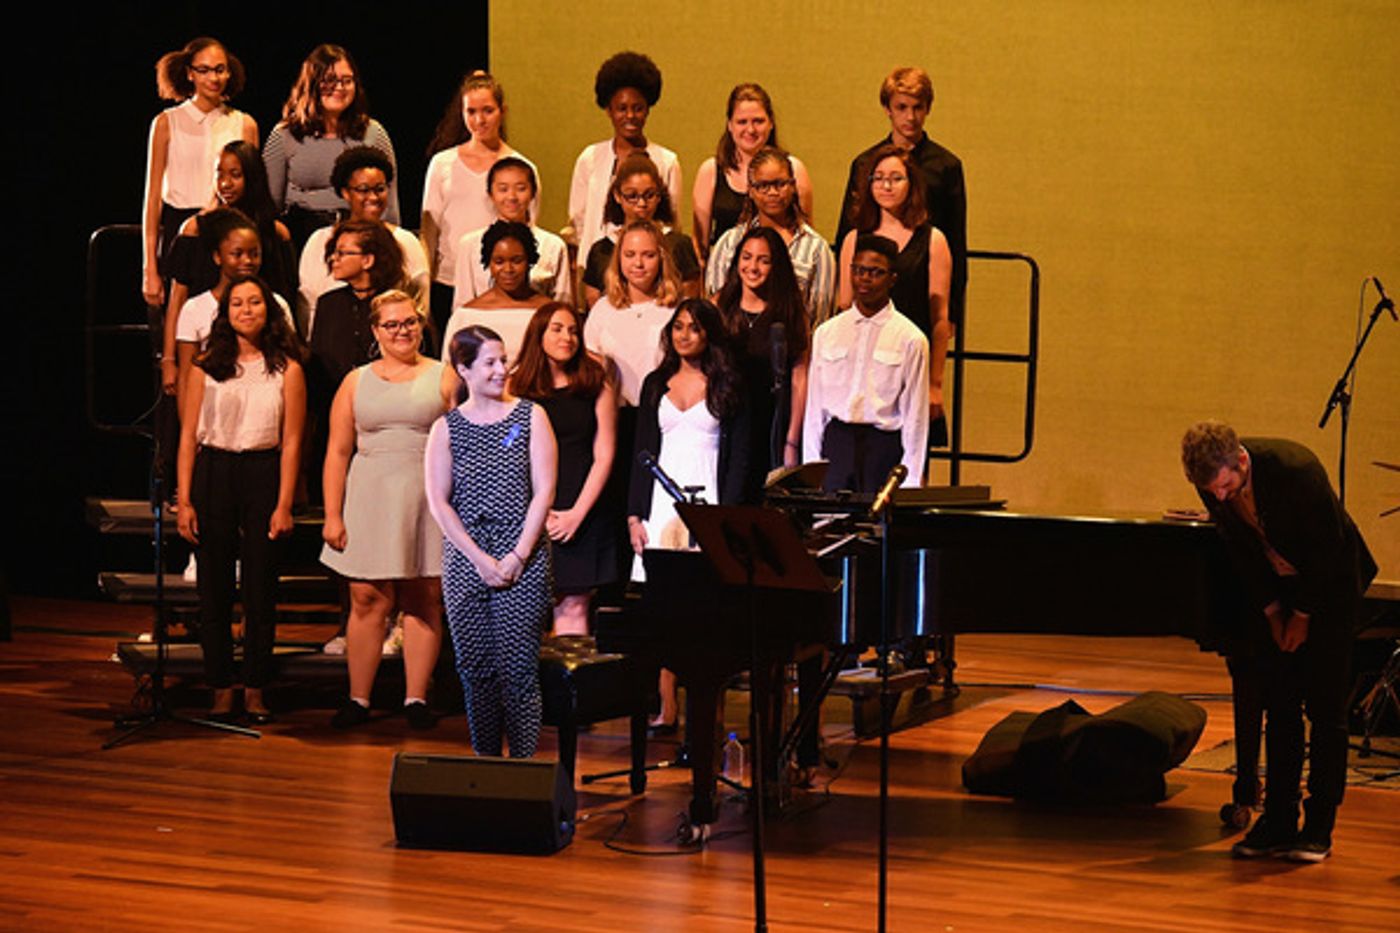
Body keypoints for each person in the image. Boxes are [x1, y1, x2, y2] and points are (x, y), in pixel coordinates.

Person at [1181, 421, 1376, 862]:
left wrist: (1303, 615)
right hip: (1278, 586)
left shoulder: (1296, 470)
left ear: (1242, 461)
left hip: (1330, 587)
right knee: (1279, 702)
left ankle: (1319, 826)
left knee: (1325, 708)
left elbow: (1329, 549)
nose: (1220, 497)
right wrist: (1272, 612)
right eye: (1212, 491)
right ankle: (1278, 820)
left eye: (1227, 485)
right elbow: (1241, 550)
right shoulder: (1211, 482)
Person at [176, 275, 305, 723]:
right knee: (213, 588)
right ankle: (219, 686)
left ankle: (254, 687)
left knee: (259, 588)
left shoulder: (287, 368)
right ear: (225, 312)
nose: (246, 310)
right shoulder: (206, 365)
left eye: (254, 302)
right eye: (237, 303)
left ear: (268, 310)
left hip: (262, 471)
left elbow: (291, 442)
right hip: (215, 470)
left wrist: (284, 502)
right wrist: (186, 499)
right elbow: (188, 436)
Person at [321, 292, 454, 730]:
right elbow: (338, 451)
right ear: (376, 331)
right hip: (370, 494)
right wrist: (333, 514)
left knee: (422, 596)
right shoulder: (355, 381)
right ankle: (359, 698)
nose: (403, 331)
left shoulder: (444, 376)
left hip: (426, 496)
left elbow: (463, 443)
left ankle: (416, 698)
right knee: (366, 597)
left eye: (410, 323)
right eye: (393, 325)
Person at [424, 326, 557, 758]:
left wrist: (518, 553)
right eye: (490, 363)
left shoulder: (529, 416)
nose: (502, 370)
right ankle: (487, 766)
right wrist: (480, 559)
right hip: (468, 556)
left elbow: (544, 490)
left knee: (518, 671)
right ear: (463, 369)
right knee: (476, 669)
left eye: (503, 360)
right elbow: (439, 502)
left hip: (522, 549)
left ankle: (522, 770)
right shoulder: (447, 428)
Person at [628, 298, 749, 727]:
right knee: (663, 604)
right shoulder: (655, 383)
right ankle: (667, 707)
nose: (684, 335)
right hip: (661, 501)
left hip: (708, 498)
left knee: (704, 610)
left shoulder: (728, 383)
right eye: (677, 326)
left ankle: (706, 714)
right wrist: (634, 515)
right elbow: (642, 449)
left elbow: (739, 460)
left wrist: (726, 520)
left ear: (708, 334)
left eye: (693, 328)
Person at [510, 303, 619, 635]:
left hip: (582, 503)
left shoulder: (595, 383)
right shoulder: (516, 389)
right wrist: (535, 512)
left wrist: (576, 514)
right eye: (557, 329)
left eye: (573, 330)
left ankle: (571, 687)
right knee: (526, 603)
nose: (567, 337)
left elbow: (604, 453)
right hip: (530, 507)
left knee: (574, 602)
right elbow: (509, 450)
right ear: (539, 334)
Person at [837, 142, 952, 443]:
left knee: (911, 470)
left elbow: (940, 320)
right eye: (879, 178)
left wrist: (935, 385)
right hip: (862, 372)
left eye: (896, 178)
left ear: (911, 184)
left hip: (910, 370)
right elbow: (843, 308)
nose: (886, 185)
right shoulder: (854, 237)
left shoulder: (933, 240)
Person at [836, 66, 967, 330]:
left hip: (919, 285)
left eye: (918, 107)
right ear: (887, 108)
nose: (911, 117)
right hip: (869, 290)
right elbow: (847, 233)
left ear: (928, 108)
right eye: (902, 107)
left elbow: (956, 240)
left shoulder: (946, 166)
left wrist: (952, 312)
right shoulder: (864, 164)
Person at [161, 141, 295, 398]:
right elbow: (177, 299)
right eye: (219, 173)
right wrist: (169, 360)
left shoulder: (274, 233)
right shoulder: (196, 229)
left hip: (262, 359)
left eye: (235, 175)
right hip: (204, 351)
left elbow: (285, 300)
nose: (225, 183)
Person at [804, 235, 928, 493]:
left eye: (876, 272)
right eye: (858, 270)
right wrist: (811, 466)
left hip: (883, 446)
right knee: (830, 526)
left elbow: (915, 416)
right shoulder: (827, 332)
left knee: (875, 529)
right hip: (837, 443)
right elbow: (815, 408)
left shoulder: (911, 338)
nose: (865, 278)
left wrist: (912, 479)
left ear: (892, 278)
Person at [143, 37, 258, 311]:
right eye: (204, 70)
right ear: (189, 73)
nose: (213, 78)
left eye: (220, 69)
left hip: (228, 229)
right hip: (180, 228)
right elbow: (152, 197)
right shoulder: (166, 122)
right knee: (179, 322)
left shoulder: (243, 123)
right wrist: (149, 266)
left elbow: (252, 189)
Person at [421, 71, 539, 330]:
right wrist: (425, 293)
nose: (479, 120)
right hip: (448, 281)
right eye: (471, 111)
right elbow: (429, 233)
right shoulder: (443, 164)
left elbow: (528, 230)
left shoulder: (521, 167)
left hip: (501, 283)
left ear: (502, 111)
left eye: (487, 111)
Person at [305, 220, 405, 502]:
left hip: (383, 425)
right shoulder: (328, 304)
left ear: (368, 260)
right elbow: (319, 362)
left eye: (341, 253)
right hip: (332, 423)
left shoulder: (397, 306)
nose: (333, 260)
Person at [263, 44, 399, 247]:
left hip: (359, 238)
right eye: (329, 80)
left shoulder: (374, 133)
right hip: (300, 237)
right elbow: (268, 205)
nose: (340, 88)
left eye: (347, 81)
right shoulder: (285, 134)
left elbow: (389, 204)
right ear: (312, 84)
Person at [568, 51, 682, 271]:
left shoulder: (666, 162)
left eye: (637, 108)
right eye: (622, 108)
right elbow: (578, 221)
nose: (630, 116)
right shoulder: (590, 158)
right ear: (609, 110)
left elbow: (671, 221)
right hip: (596, 267)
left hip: (647, 270)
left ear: (648, 110)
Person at [714, 225, 809, 483]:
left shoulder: (790, 312)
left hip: (771, 426)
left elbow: (799, 377)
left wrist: (791, 440)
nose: (753, 267)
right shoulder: (720, 305)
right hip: (727, 425)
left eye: (763, 260)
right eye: (747, 257)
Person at [298, 147, 429, 334]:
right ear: (345, 192)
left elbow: (420, 306)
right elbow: (308, 306)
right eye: (363, 190)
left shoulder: (405, 241)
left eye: (380, 189)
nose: (373, 198)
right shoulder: (320, 241)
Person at [704, 147, 834, 328]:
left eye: (780, 184)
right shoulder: (729, 242)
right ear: (750, 190)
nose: (773, 193)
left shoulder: (816, 249)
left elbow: (820, 317)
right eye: (763, 186)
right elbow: (714, 307)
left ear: (793, 186)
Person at [691, 83, 813, 263]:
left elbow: (806, 236)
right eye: (742, 122)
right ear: (729, 125)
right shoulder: (711, 171)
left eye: (758, 121)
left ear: (771, 123)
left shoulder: (794, 169)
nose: (750, 130)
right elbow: (699, 246)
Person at [451, 157, 572, 315]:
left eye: (521, 188)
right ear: (490, 194)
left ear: (533, 192)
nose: (512, 197)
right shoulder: (470, 244)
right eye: (503, 189)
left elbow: (563, 306)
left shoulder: (553, 245)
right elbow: (462, 306)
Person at [583, 219, 682, 409]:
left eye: (648, 255)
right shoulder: (603, 309)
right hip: (615, 414)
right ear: (618, 258)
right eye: (629, 255)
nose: (638, 263)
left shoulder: (677, 310)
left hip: (662, 413)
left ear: (662, 258)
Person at [582, 152, 700, 309]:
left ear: (659, 196)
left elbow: (690, 302)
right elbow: (593, 303)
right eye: (632, 196)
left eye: (649, 195)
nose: (642, 203)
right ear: (617, 196)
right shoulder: (602, 250)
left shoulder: (678, 245)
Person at [441, 221, 550, 373]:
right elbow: (451, 372)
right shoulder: (466, 316)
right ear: (488, 263)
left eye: (516, 261)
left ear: (529, 261)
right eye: (499, 261)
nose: (508, 269)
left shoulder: (548, 312)